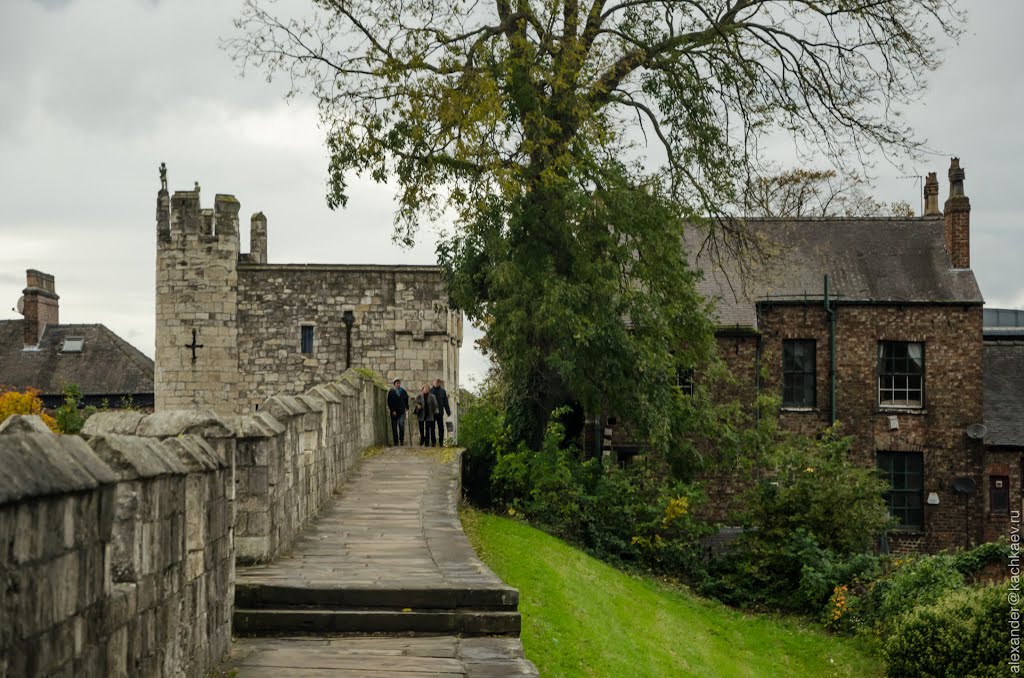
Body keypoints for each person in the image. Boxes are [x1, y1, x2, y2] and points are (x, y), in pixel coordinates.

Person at [387, 378, 409, 446]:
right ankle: (395, 441)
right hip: (394, 412)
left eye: (399, 383)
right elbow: (389, 402)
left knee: (401, 426)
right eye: (397, 383)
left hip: (401, 411)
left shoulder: (403, 391)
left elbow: (406, 401)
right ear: (394, 384)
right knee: (394, 427)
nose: (398, 384)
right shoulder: (391, 391)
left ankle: (401, 440)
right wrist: (392, 410)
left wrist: (407, 409)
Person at [430, 379, 452, 447]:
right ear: (433, 382)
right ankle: (433, 443)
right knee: (432, 428)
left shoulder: (443, 391)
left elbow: (445, 402)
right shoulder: (430, 391)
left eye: (438, 382)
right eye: (436, 382)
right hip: (432, 413)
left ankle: (441, 443)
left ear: (439, 383)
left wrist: (448, 412)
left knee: (441, 428)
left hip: (440, 412)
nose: (437, 383)